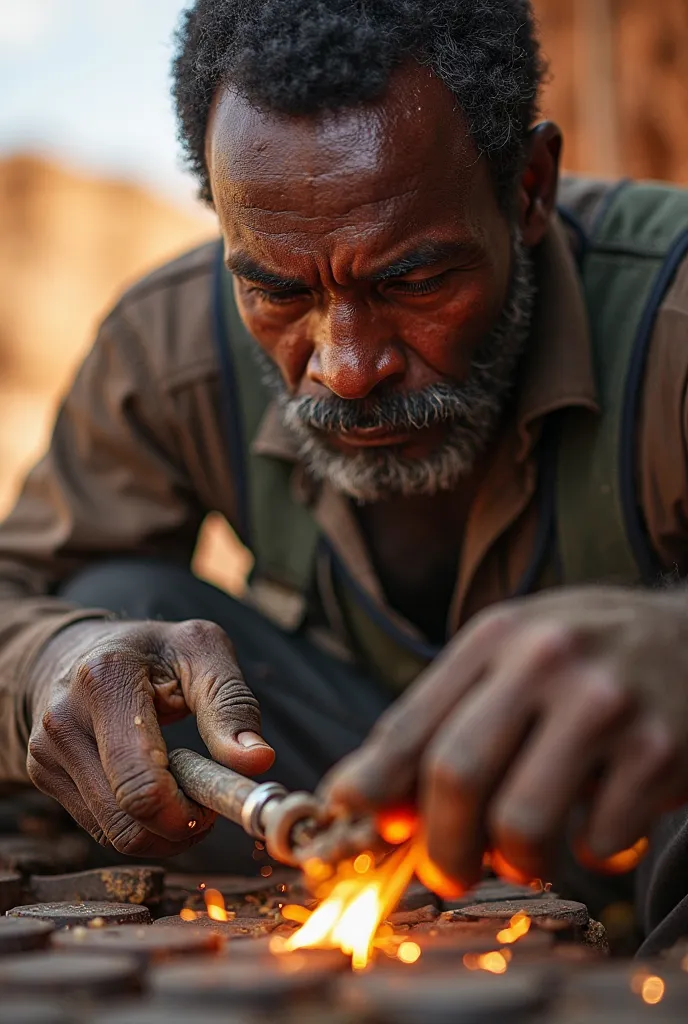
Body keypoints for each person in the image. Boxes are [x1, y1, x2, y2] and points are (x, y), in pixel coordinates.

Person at [1, 0, 688, 955]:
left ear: (528, 191)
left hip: (648, 816)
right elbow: (13, 596)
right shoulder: (168, 350)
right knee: (110, 610)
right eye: (278, 291)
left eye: (412, 282)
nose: (346, 366)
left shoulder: (673, 321)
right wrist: (47, 663)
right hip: (365, 809)